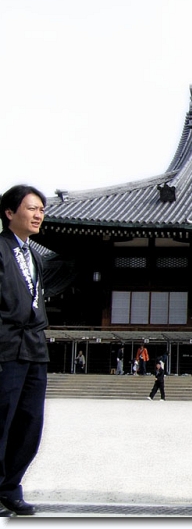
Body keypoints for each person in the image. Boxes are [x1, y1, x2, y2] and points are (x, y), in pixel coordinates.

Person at [0, 184, 50, 517]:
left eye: (41, 210)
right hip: (4, 346)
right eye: (31, 208)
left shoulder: (34, 255)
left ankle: (9, 487)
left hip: (33, 348)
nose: (38, 215)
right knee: (1, 420)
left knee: (30, 422)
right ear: (9, 213)